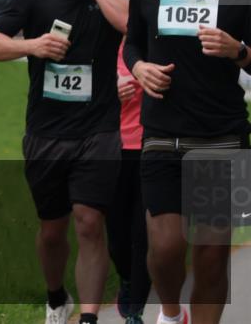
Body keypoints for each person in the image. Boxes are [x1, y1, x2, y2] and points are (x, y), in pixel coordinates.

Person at [0, 0, 130, 324]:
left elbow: (130, 25)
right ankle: (55, 296)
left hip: (99, 130)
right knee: (52, 229)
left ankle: (89, 317)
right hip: (47, 132)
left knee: (90, 220)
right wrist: (33, 45)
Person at [122, 0, 251, 324]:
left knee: (212, 257)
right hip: (162, 135)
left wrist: (240, 51)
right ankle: (172, 312)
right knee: (166, 248)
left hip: (221, 137)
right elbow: (132, 42)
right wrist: (138, 67)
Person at [109, 32, 152, 324]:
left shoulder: (156, 43)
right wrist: (109, 89)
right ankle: (125, 279)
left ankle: (136, 309)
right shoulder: (106, 44)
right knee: (116, 236)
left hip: (152, 147)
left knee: (143, 234)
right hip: (111, 148)